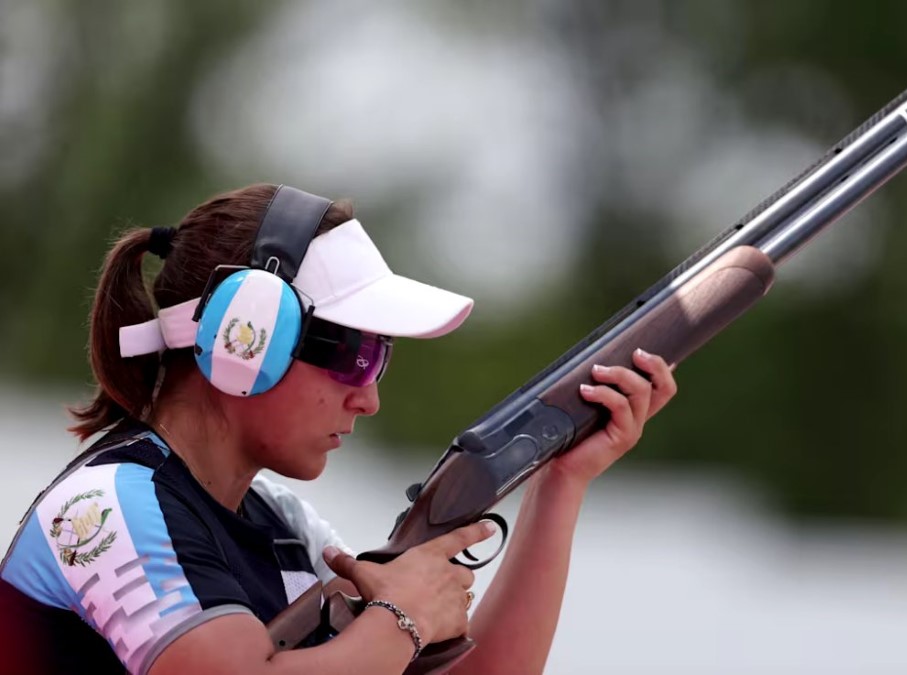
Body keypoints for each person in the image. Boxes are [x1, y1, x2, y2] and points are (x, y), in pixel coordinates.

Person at [0, 184, 678, 675]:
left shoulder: (283, 527)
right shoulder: (106, 507)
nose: (369, 397)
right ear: (248, 336)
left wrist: (561, 481)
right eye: (355, 353)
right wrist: (401, 618)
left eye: (379, 357)